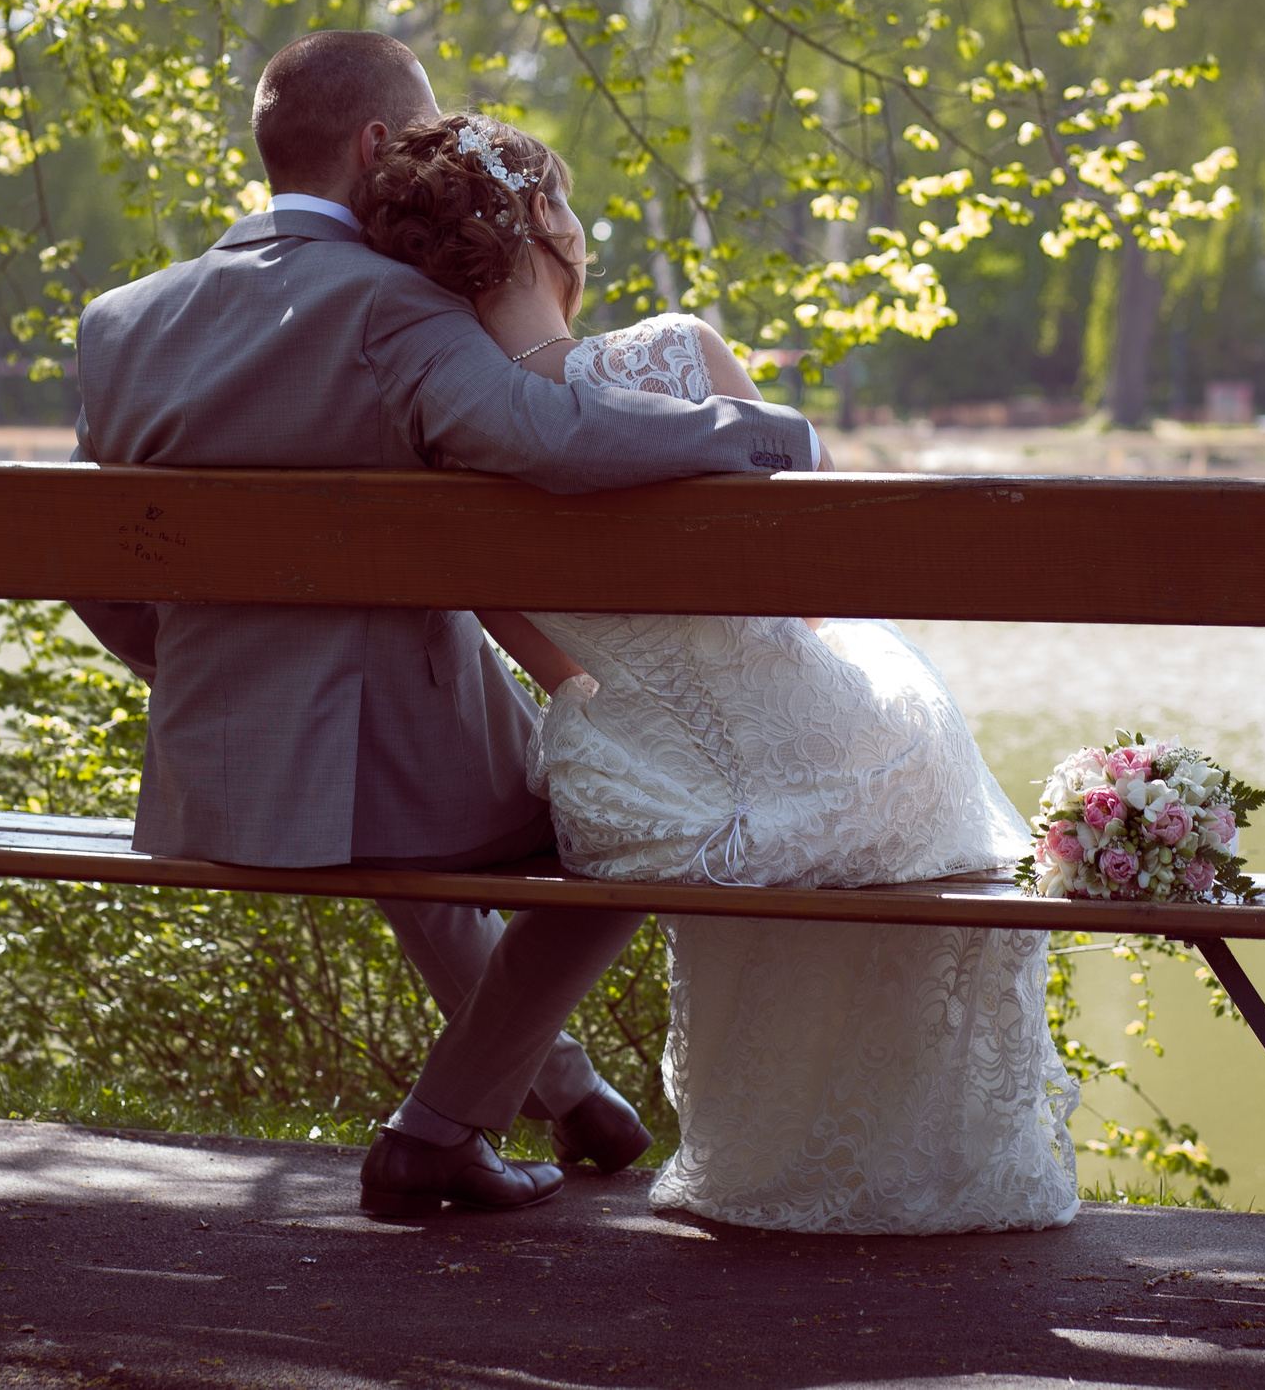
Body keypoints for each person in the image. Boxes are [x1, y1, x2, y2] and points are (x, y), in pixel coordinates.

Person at [67, 32, 825, 1221]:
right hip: (380, 775)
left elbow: (96, 574)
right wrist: (759, 435)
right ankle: (439, 1129)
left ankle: (568, 1095)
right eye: (413, 137)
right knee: (640, 820)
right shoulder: (391, 302)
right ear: (373, 147)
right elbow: (551, 439)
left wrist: (206, 670)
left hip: (211, 767)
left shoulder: (122, 320)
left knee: (428, 790)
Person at [353, 113, 1083, 1235]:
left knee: (762, 789)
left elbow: (543, 654)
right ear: (545, 217)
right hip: (808, 759)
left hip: (636, 791)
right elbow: (812, 583)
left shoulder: (444, 430)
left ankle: (737, 1149)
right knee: (893, 731)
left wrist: (644, 708)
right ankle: (901, 1154)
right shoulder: (672, 357)